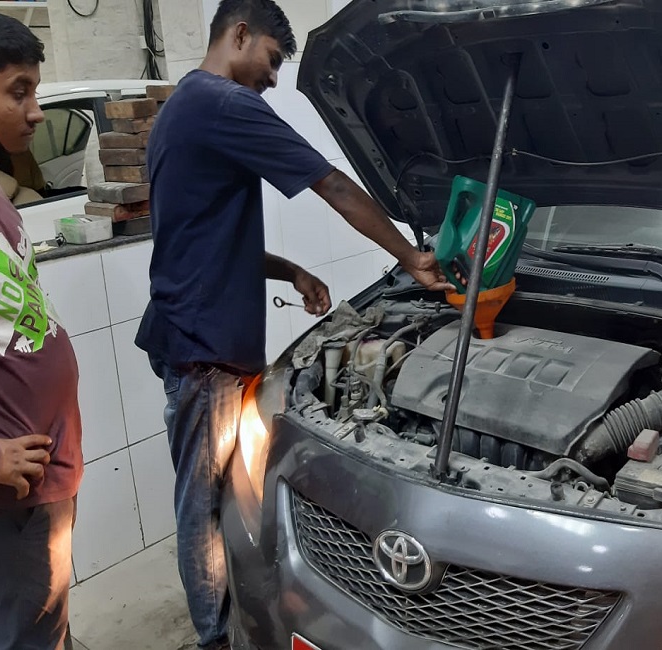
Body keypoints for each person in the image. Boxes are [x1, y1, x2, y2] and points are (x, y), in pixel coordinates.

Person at [134, 1, 452, 647]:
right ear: (240, 34)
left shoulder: (186, 103)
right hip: (205, 351)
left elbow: (200, 236)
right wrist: (411, 258)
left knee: (215, 498)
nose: (274, 78)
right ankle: (217, 639)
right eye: (273, 60)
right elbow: (333, 185)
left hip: (186, 332)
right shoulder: (225, 103)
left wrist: (290, 272)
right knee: (205, 508)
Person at [0, 8, 83, 649]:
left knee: (45, 624)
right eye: (18, 91)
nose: (36, 112)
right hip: (8, 490)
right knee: (23, 635)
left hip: (45, 476)